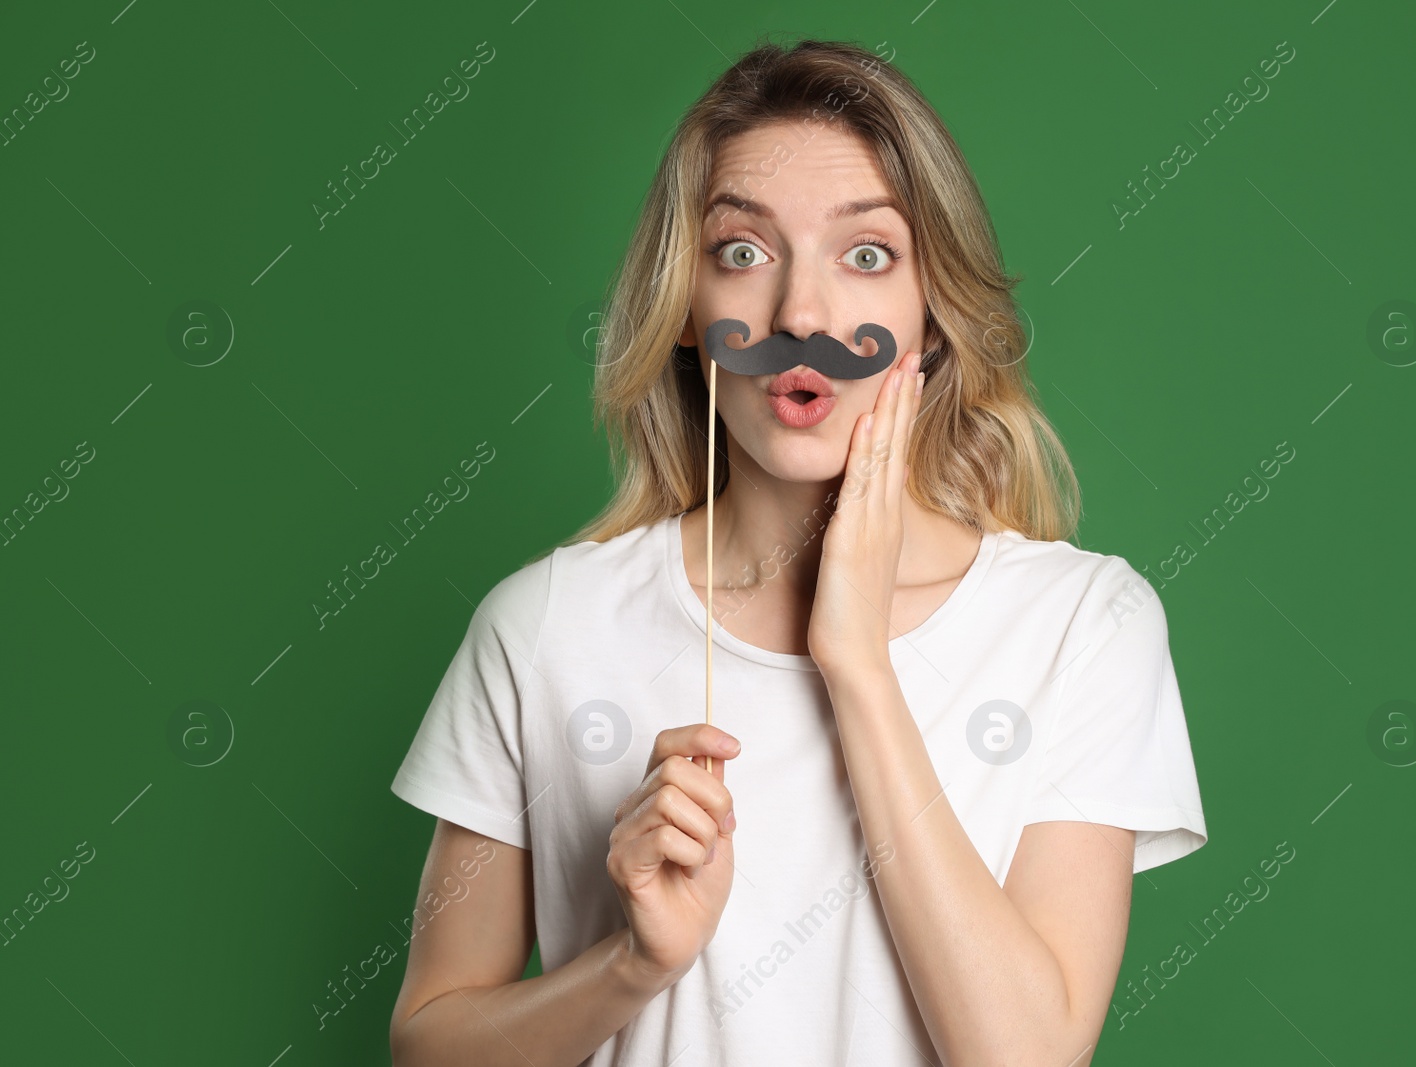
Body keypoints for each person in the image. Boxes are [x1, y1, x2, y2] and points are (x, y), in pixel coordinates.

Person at [387, 37, 1206, 1067]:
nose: (801, 315)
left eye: (866, 254)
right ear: (687, 308)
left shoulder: (1083, 626)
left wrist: (855, 661)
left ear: (931, 314)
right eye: (743, 251)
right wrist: (630, 964)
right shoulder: (546, 623)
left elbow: (1026, 1056)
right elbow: (429, 1044)